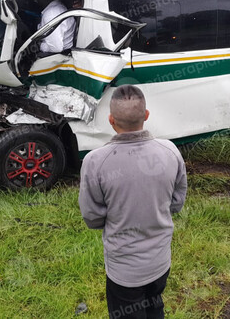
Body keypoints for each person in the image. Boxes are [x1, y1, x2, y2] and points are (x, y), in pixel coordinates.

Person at [79, 85, 188, 319]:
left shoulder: (95, 162)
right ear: (146, 116)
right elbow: (177, 202)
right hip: (160, 261)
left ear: (110, 120)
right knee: (154, 305)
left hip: (124, 270)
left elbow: (92, 216)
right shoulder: (170, 151)